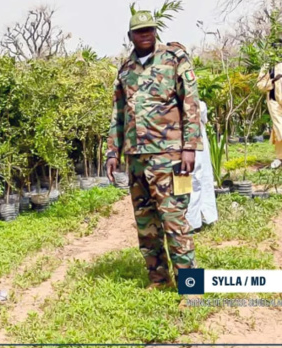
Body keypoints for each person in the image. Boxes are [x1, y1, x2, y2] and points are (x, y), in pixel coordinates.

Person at [106, 11, 203, 290]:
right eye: (139, 31)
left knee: (175, 221)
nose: (145, 34)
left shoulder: (174, 59)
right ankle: (158, 279)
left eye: (149, 29)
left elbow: (190, 104)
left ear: (155, 31)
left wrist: (190, 147)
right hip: (135, 159)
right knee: (146, 225)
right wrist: (113, 152)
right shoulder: (125, 70)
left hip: (171, 158)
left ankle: (191, 287)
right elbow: (118, 114)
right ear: (130, 36)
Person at [187, 100, 219, 232]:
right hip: (195, 147)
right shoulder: (200, 105)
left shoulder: (199, 105)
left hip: (192, 147)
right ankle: (195, 220)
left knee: (193, 182)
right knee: (196, 182)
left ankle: (193, 220)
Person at [256, 45, 282, 169]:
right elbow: (260, 85)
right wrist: (272, 81)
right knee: (279, 129)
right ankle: (280, 158)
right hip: (275, 102)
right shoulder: (268, 66)